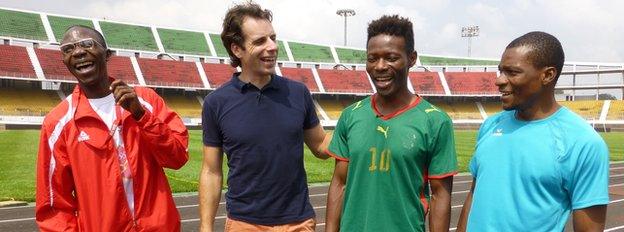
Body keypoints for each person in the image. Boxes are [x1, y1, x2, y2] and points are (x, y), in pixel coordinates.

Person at [35, 25, 189, 231]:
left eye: (87, 44)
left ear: (107, 55)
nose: (78, 52)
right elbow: (54, 207)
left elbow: (177, 157)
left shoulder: (147, 100)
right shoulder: (57, 123)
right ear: (64, 60)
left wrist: (141, 115)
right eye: (68, 49)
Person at [457, 31, 609, 232]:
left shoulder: (583, 143)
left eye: (512, 72)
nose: (499, 80)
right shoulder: (490, 125)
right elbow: (475, 194)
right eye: (500, 70)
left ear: (547, 75)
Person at [199, 2, 330, 231]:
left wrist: (357, 128)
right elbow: (211, 171)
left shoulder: (298, 93)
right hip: (244, 223)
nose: (272, 47)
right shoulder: (216, 103)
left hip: (298, 223)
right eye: (260, 41)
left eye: (273, 38)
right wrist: (205, 226)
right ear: (236, 49)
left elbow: (320, 146)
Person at [325, 15, 457, 232]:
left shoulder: (435, 121)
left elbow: (440, 195)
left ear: (411, 58)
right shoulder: (350, 116)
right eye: (372, 58)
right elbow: (339, 183)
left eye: (391, 58)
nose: (380, 66)